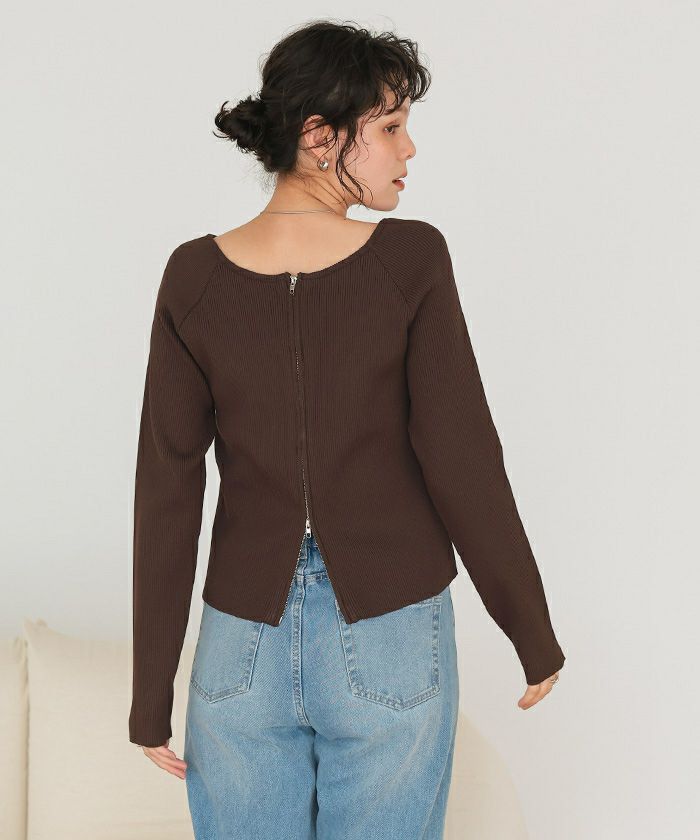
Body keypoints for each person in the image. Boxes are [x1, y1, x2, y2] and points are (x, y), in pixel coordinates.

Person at [129, 19, 565, 840]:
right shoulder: (410, 261)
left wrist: (150, 696)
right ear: (319, 137)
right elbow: (462, 457)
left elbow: (167, 489)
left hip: (239, 650)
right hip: (389, 633)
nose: (409, 149)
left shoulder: (193, 277)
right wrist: (531, 631)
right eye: (390, 127)